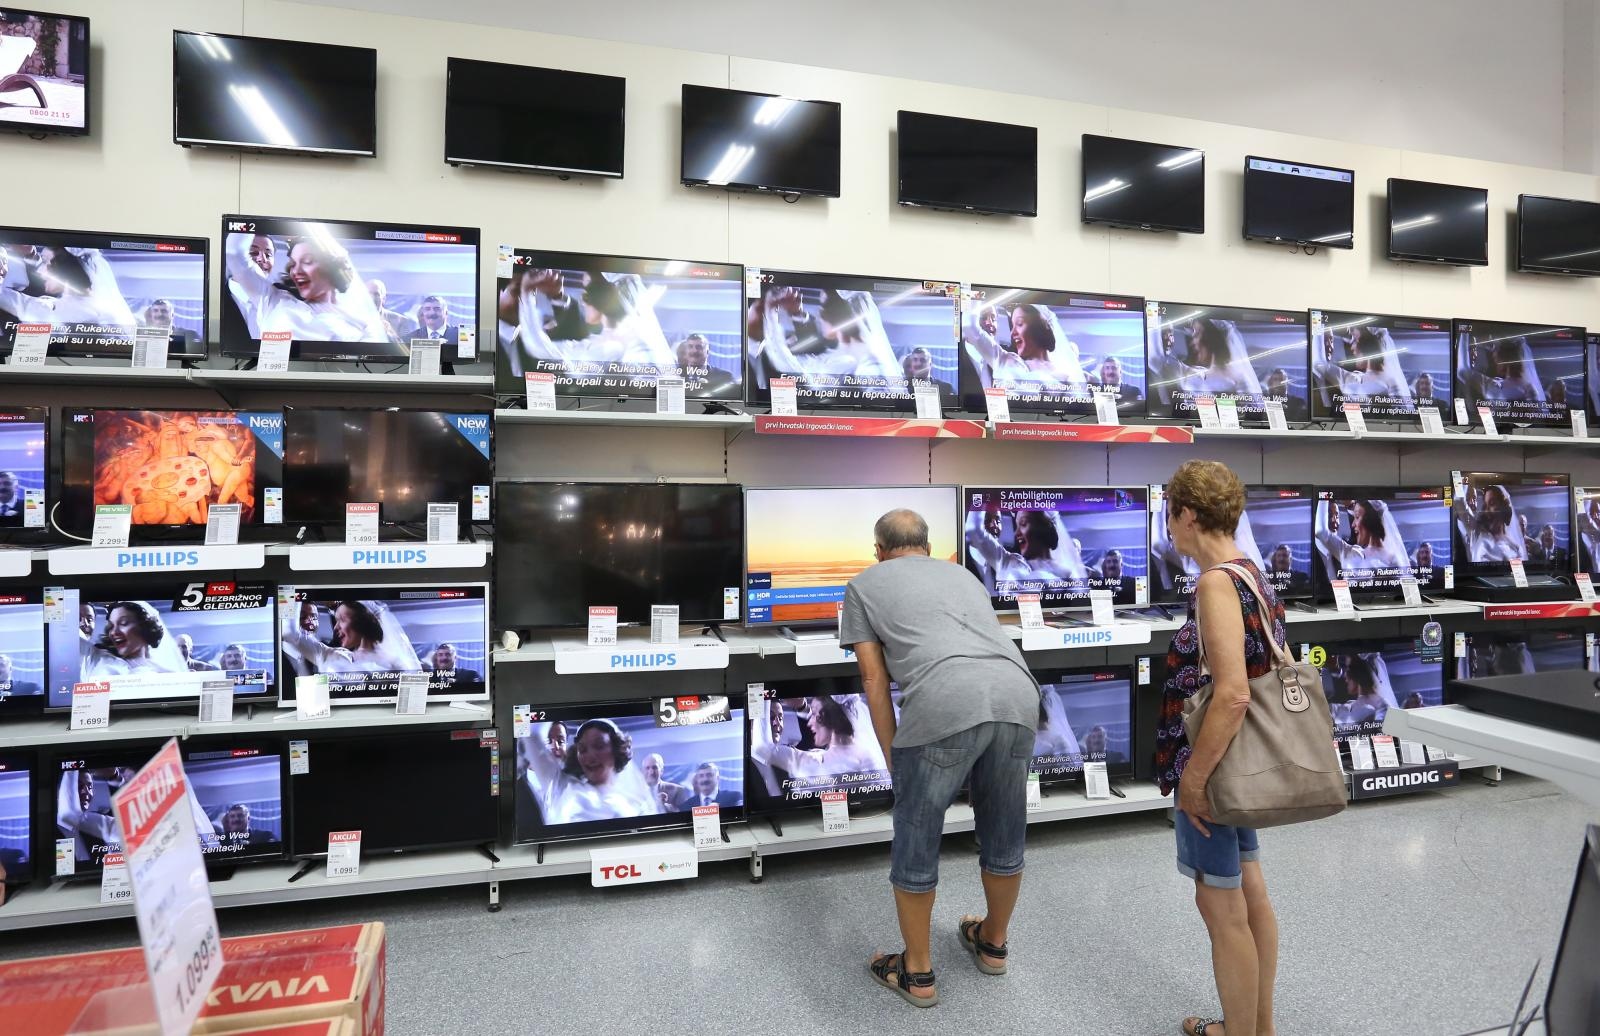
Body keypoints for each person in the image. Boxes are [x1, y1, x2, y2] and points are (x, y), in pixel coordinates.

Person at [839, 508, 1040, 1008]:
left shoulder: (863, 585)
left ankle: (918, 972)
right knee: (1004, 827)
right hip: (1017, 693)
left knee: (917, 834)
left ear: (879, 551)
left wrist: (894, 755)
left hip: (944, 701)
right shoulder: (964, 574)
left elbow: (873, 679)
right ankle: (992, 944)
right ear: (927, 548)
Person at [1153, 460, 1284, 1036]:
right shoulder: (1251, 574)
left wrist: (1193, 780)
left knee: (1221, 907)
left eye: (1169, 515)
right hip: (1242, 762)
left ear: (1187, 515)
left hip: (1215, 766)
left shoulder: (1215, 584)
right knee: (1250, 893)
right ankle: (1256, 1027)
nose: (1168, 527)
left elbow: (1231, 694)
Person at [224, 232, 390, 345]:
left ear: (331, 267)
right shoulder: (275, 299)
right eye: (293, 263)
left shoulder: (358, 319)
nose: (296, 271)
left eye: (307, 261)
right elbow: (234, 251)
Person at [520, 718, 660, 825]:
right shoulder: (563, 786)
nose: (590, 756)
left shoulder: (635, 801)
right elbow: (532, 734)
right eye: (583, 749)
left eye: (599, 746)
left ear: (616, 749)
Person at [749, 694, 886, 786]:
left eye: (815, 714)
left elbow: (762, 748)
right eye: (770, 717)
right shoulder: (868, 756)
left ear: (830, 719)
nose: (810, 722)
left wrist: (761, 693)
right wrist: (802, 707)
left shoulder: (820, 762)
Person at [279, 600, 422, 683]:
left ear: (362, 623)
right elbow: (289, 632)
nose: (335, 627)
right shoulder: (334, 655)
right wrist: (291, 592)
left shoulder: (396, 663)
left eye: (342, 620)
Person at [964, 505, 1087, 594]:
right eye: (1017, 525)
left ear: (1042, 530)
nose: (1016, 533)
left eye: (1023, 524)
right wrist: (982, 496)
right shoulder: (1009, 561)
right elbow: (974, 529)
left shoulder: (1068, 574)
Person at [82, 601, 186, 678]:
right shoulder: (101, 658)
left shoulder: (166, 673)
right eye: (111, 626)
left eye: (123, 623)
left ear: (144, 627)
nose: (114, 632)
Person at [1458, 484, 1526, 563]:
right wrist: (1461, 481)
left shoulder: (1516, 548)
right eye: (1485, 505)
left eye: (1492, 503)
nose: (1487, 510)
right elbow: (1459, 502)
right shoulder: (1477, 532)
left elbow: (1516, 570)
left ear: (1503, 507)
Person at [675, 333, 739, 399]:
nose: (694, 351)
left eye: (699, 347)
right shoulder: (676, 375)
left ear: (707, 352)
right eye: (690, 347)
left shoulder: (725, 377)